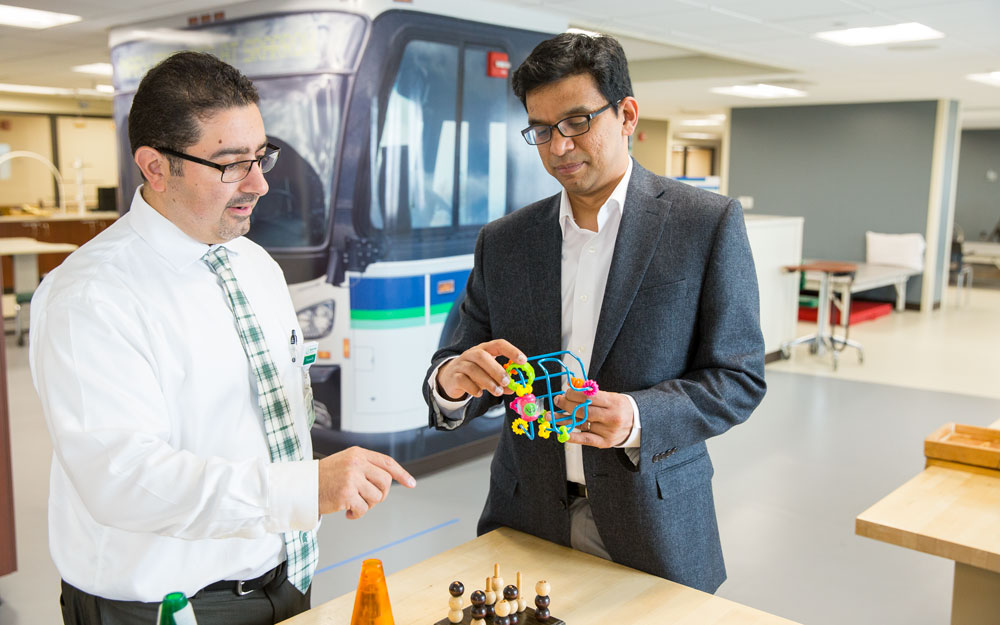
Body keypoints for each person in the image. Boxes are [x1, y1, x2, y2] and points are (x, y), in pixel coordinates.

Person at [30, 51, 415, 625]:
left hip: (282, 579)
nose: (259, 184)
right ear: (156, 167)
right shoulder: (91, 296)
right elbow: (124, 479)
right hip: (164, 606)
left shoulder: (254, 264)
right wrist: (304, 489)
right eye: (232, 164)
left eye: (261, 157)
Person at [422, 33, 765, 593]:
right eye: (540, 129)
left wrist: (636, 417)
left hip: (652, 520)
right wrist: (453, 382)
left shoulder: (704, 225)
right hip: (526, 517)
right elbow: (462, 359)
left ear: (626, 114)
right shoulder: (504, 241)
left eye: (578, 121)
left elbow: (739, 377)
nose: (558, 147)